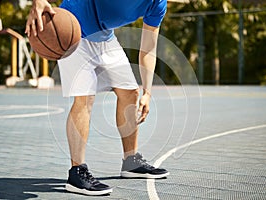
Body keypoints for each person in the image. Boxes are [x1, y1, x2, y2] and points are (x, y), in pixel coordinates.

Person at [25, 0, 169, 196]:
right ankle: (77, 172)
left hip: (105, 37)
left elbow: (148, 48)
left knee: (130, 92)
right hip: (73, 31)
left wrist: (148, 93)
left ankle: (131, 161)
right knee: (85, 99)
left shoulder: (158, 4)